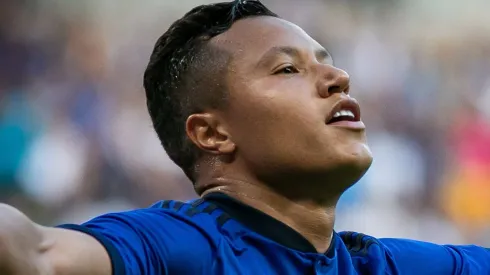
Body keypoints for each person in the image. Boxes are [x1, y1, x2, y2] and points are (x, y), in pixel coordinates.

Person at [0, 1, 489, 274]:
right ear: (212, 133)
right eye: (287, 68)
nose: (338, 77)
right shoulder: (180, 248)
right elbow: (38, 254)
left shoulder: (387, 264)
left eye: (327, 59)